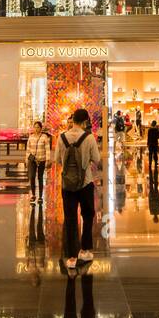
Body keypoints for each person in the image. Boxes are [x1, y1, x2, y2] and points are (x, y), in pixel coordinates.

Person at [53, 108, 101, 271]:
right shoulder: (89, 138)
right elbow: (97, 159)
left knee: (70, 218)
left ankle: (72, 257)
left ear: (72, 120)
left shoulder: (61, 137)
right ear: (85, 121)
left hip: (67, 185)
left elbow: (58, 159)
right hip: (85, 183)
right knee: (87, 216)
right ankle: (85, 250)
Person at [25, 120, 50, 198]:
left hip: (41, 160)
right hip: (32, 160)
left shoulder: (44, 137)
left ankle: (40, 196)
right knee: (32, 177)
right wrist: (26, 160)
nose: (36, 129)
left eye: (38, 127)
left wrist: (47, 160)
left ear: (41, 128)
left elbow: (47, 149)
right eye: (35, 127)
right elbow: (28, 149)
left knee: (40, 177)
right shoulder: (31, 137)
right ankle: (33, 194)